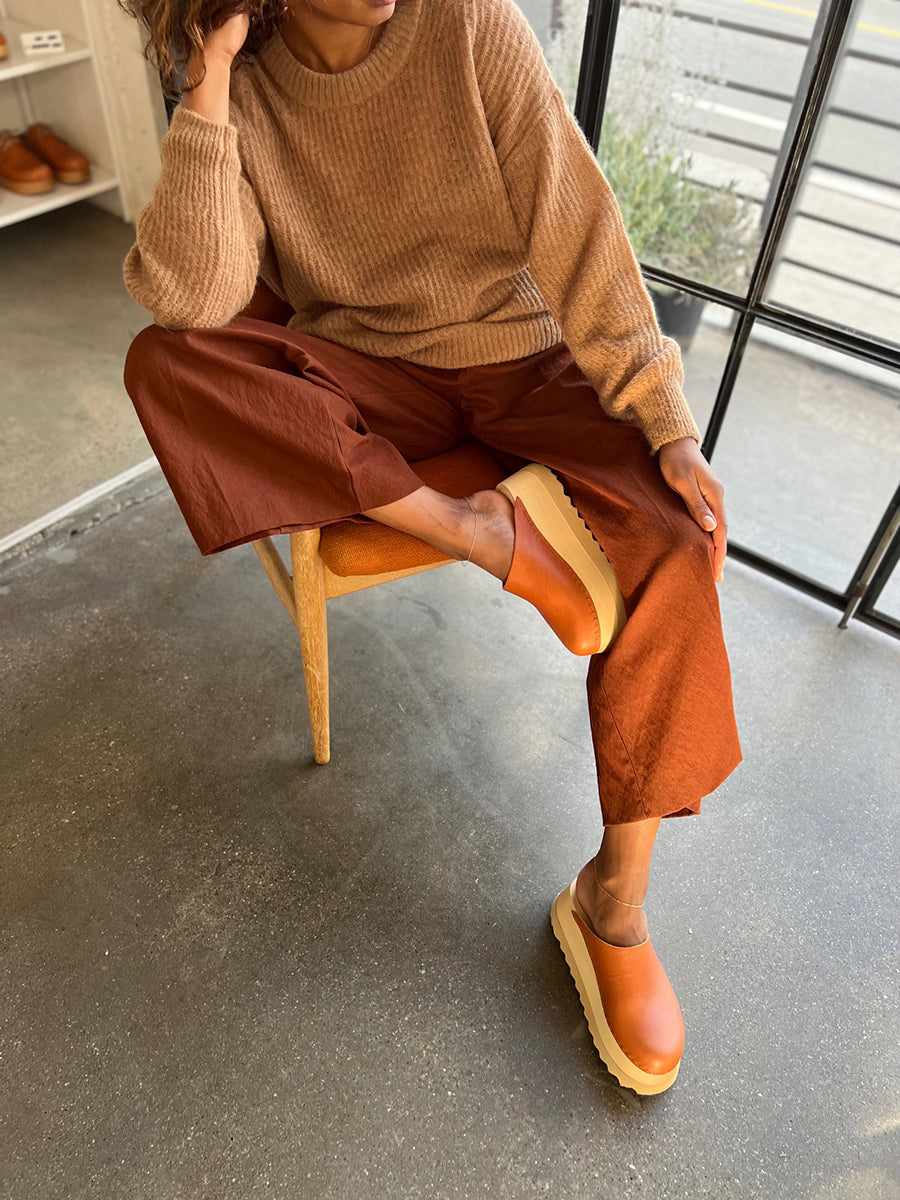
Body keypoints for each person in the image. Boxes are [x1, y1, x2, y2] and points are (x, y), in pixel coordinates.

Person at [118, 0, 743, 1095]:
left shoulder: (468, 25)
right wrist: (209, 82)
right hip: (371, 379)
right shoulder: (244, 81)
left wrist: (666, 423)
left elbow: (579, 226)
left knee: (675, 538)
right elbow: (194, 298)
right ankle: (479, 528)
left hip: (525, 361)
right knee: (165, 364)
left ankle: (613, 901)